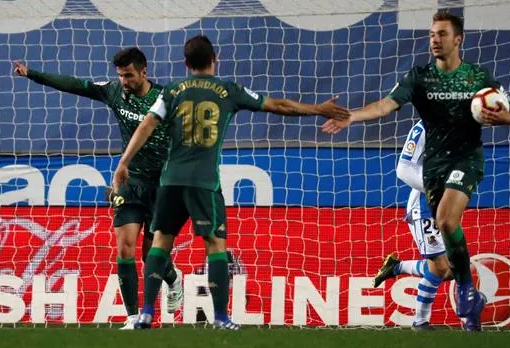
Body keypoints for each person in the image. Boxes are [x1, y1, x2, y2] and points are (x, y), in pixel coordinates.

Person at [113, 35, 349, 330]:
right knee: (215, 243)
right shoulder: (227, 90)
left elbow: (147, 124)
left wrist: (123, 162)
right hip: (204, 181)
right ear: (215, 59)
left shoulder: (172, 90)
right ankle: (221, 317)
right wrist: (318, 109)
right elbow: (278, 105)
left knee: (160, 241)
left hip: (170, 179)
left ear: (186, 64)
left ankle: (146, 312)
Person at [323, 11, 510, 331]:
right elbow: (386, 105)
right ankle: (469, 309)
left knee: (445, 223)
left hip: (466, 159)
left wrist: (505, 118)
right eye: (431, 35)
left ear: (458, 39)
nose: (434, 40)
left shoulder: (479, 77)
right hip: (434, 170)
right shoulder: (419, 77)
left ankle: (449, 302)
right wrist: (352, 116)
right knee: (444, 262)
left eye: (441, 34)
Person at [13, 48, 182, 330]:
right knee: (125, 248)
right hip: (129, 182)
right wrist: (32, 74)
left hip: (163, 186)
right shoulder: (114, 92)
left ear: (144, 71)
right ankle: (132, 317)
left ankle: (173, 279)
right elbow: (76, 85)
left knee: (151, 255)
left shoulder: (166, 99)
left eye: (129, 75)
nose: (124, 80)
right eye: (120, 75)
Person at [372, 120, 453, 330]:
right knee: (440, 267)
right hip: (425, 204)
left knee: (451, 270)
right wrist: (433, 189)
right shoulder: (424, 126)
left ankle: (396, 267)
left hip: (449, 202)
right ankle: (420, 322)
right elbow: (403, 170)